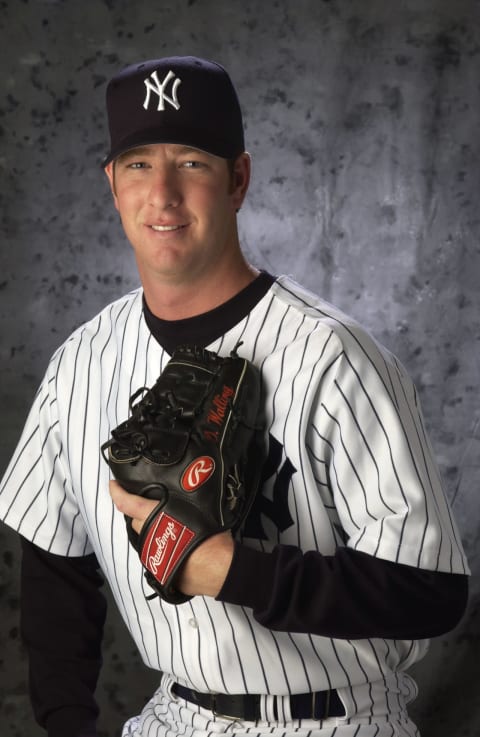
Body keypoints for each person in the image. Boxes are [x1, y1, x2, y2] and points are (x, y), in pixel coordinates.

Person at [0, 55, 469, 737]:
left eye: (191, 162)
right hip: (174, 713)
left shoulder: (332, 355)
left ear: (238, 179)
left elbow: (433, 593)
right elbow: (53, 569)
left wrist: (238, 571)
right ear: (112, 185)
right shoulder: (81, 360)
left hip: (331, 719)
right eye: (137, 164)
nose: (161, 193)